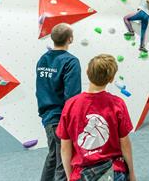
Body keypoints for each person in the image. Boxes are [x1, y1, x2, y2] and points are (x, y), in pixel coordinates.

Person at [56, 54, 136, 181]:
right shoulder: (117, 104)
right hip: (114, 171)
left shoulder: (70, 105)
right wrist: (132, 174)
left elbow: (65, 147)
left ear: (87, 72)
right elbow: (125, 144)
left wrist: (69, 176)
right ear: (111, 79)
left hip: (81, 173)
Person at [36, 23, 82, 181]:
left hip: (47, 116)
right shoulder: (71, 62)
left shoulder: (43, 59)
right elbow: (72, 97)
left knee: (53, 156)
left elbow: (40, 88)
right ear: (70, 39)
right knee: (63, 161)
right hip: (61, 118)